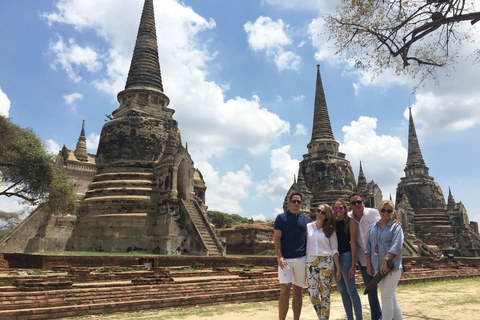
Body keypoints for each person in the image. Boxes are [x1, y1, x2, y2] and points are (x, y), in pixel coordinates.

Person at [274, 192, 310, 320]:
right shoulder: (281, 218)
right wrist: (280, 256)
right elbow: (277, 237)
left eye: (298, 201)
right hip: (286, 259)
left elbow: (309, 239)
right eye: (294, 201)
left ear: (301, 203)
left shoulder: (305, 220)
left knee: (298, 291)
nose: (296, 204)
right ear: (289, 202)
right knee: (284, 289)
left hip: (301, 258)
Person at [366, 200, 404, 320]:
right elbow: (369, 246)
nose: (386, 213)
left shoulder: (396, 227)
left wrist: (385, 260)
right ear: (379, 210)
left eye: (389, 211)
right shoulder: (373, 226)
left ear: (393, 212)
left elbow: (397, 245)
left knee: (386, 298)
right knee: (391, 297)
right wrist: (368, 264)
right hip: (376, 265)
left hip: (391, 266)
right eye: (383, 210)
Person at [347, 193, 382, 320]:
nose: (357, 205)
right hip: (363, 259)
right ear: (350, 205)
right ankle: (376, 318)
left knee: (386, 291)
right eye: (353, 203)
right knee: (371, 291)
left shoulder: (374, 213)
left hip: (379, 257)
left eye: (359, 202)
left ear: (363, 203)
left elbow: (387, 221)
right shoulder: (348, 217)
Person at [306, 203, 341, 320]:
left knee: (325, 295)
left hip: (326, 262)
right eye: (318, 211)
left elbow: (334, 249)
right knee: (312, 294)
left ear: (327, 215)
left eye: (323, 212)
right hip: (311, 261)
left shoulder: (330, 230)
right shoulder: (308, 227)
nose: (319, 214)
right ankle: (322, 317)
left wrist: (338, 268)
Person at [333, 199, 363, 320]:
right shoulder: (331, 223)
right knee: (342, 291)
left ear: (344, 209)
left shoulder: (349, 222)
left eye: (340, 208)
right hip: (335, 259)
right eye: (335, 208)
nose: (338, 210)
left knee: (351, 291)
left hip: (346, 257)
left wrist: (352, 263)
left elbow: (353, 243)